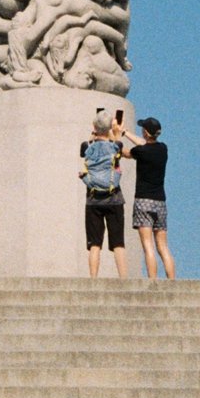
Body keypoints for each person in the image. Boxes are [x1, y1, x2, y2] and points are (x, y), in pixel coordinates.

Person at [118, 115, 175, 279]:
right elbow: (145, 145)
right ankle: (172, 280)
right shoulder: (163, 149)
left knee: (148, 246)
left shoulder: (141, 152)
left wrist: (114, 138)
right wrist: (126, 132)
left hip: (143, 201)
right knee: (163, 247)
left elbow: (125, 152)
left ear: (145, 132)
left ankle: (153, 280)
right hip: (160, 202)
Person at [80, 107, 128, 279]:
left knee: (94, 244)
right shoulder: (115, 146)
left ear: (94, 126)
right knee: (118, 243)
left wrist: (95, 133)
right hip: (114, 198)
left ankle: (93, 278)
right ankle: (123, 278)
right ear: (109, 128)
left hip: (93, 200)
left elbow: (85, 150)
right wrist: (115, 131)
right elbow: (117, 146)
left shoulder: (87, 147)